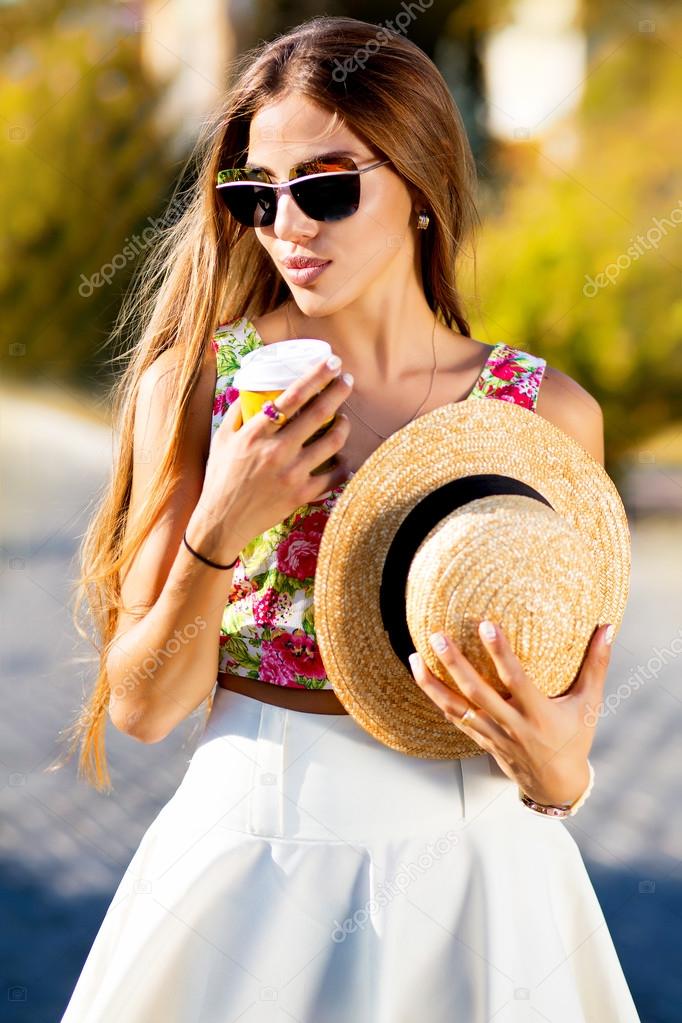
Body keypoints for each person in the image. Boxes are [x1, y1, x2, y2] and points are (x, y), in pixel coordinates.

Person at [59, 15, 642, 1022]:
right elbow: (143, 710)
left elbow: (563, 724)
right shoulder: (198, 389)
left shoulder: (545, 419)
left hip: (487, 876)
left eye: (327, 187)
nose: (287, 224)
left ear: (418, 186)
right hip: (250, 863)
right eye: (256, 194)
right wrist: (227, 518)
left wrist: (562, 776)